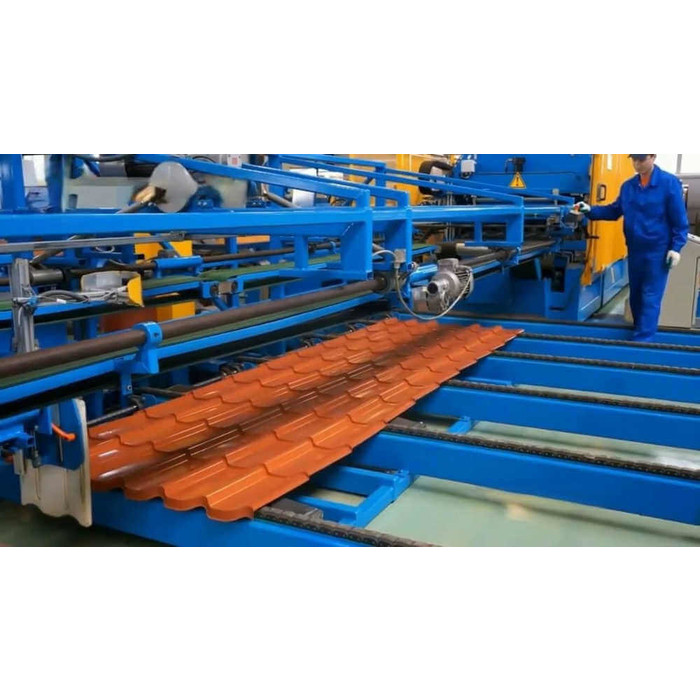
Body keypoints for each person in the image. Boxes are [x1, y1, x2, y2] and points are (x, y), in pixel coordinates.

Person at [575, 155, 689, 341]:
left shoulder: (669, 183)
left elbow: (680, 221)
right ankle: (639, 330)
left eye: (641, 159)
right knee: (636, 295)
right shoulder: (628, 187)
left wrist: (676, 248)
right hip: (635, 250)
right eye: (634, 159)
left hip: (658, 252)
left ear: (653, 156)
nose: (637, 164)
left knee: (650, 296)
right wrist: (590, 210)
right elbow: (614, 211)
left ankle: (642, 342)